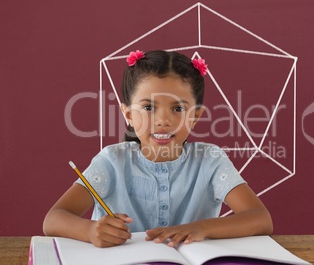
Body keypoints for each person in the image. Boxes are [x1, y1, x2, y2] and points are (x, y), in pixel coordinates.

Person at [43, 50, 273, 248]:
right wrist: (90, 231)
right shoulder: (112, 161)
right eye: (149, 107)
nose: (163, 120)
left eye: (177, 108)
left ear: (195, 116)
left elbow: (260, 219)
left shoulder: (210, 160)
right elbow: (53, 220)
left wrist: (201, 228)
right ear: (129, 115)